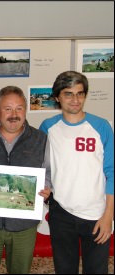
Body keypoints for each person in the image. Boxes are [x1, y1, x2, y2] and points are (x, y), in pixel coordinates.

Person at [39, 71, 114, 274]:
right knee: (64, 270)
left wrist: (109, 215)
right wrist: (44, 188)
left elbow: (112, 171)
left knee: (97, 270)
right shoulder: (48, 128)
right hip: (61, 213)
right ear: (57, 97)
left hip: (97, 214)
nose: (75, 100)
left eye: (80, 94)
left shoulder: (102, 127)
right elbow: (42, 168)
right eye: (68, 94)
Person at [0, 86, 51, 274]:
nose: (14, 114)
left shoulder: (40, 139)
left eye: (19, 108)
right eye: (8, 109)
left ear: (26, 110)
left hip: (24, 226)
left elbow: (46, 173)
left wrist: (45, 187)